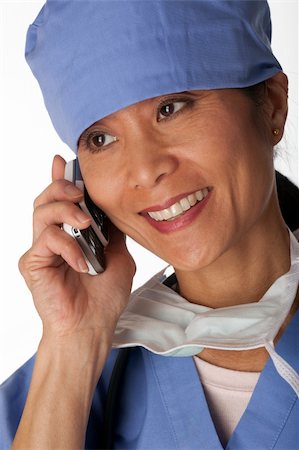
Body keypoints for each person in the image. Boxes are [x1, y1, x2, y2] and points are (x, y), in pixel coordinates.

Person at [0, 1, 298, 449]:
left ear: (272, 107)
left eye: (171, 107)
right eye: (101, 139)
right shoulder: (61, 388)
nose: (144, 170)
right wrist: (75, 342)